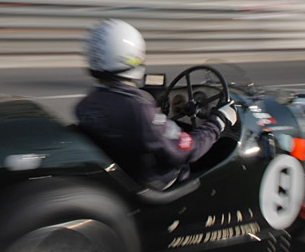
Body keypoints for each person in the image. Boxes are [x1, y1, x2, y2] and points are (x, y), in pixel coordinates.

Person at [75, 19, 237, 190]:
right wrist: (218, 121)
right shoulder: (139, 110)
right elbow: (184, 151)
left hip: (124, 178)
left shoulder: (86, 105)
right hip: (159, 182)